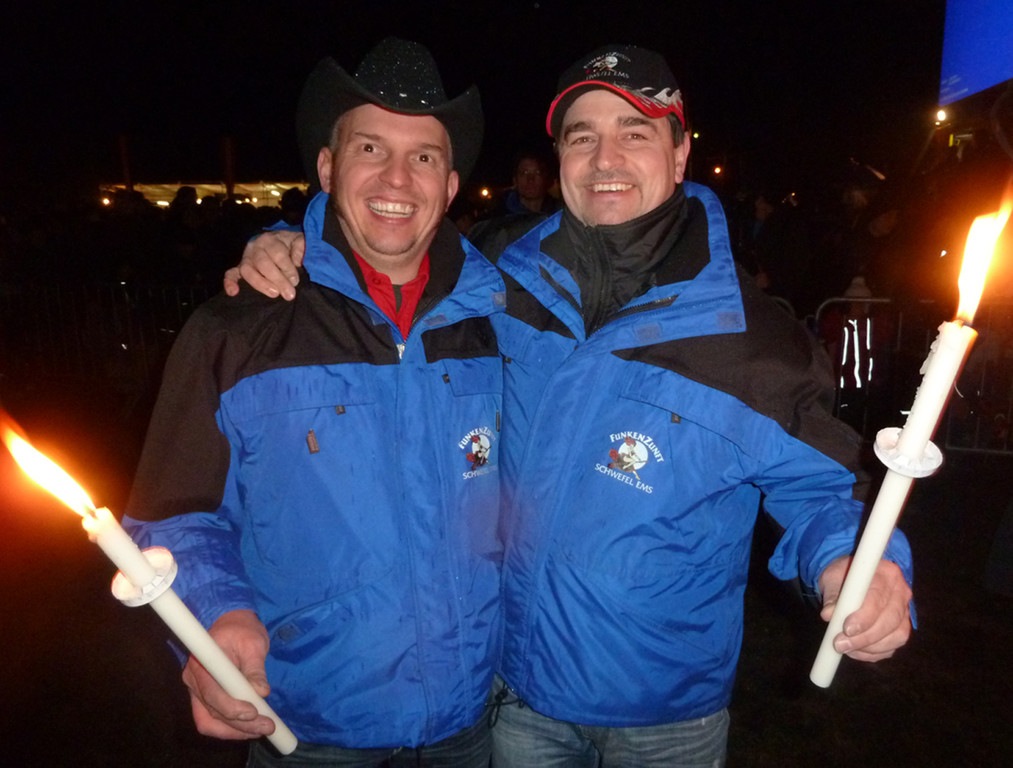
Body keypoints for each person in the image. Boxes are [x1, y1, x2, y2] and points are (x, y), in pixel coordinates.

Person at [229, 44, 914, 767]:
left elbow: (825, 490)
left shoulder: (754, 338)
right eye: (582, 137)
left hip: (665, 714)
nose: (604, 158)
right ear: (559, 159)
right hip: (518, 697)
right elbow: (382, 253)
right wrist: (290, 246)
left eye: (634, 132)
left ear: (680, 153)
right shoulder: (496, 281)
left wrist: (854, 560)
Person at [124, 38, 504, 767]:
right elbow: (171, 515)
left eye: (424, 156)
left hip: (466, 723)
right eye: (370, 147)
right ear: (328, 168)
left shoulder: (497, 325)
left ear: (451, 184)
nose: (398, 177)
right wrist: (217, 615)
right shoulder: (236, 330)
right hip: (309, 725)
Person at [468, 148, 559, 260]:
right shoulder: (495, 221)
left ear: (546, 179)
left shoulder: (559, 217)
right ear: (515, 180)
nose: (530, 179)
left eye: (537, 173)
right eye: (524, 173)